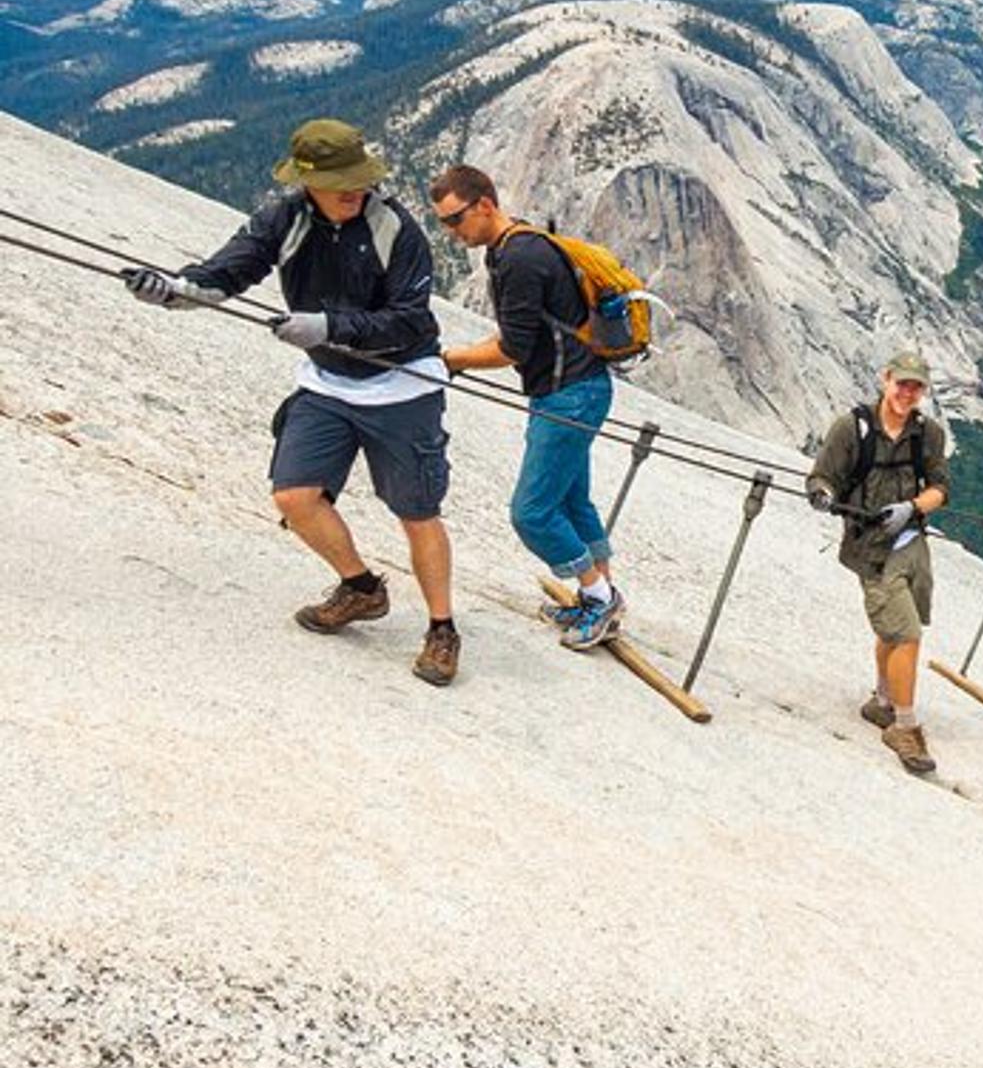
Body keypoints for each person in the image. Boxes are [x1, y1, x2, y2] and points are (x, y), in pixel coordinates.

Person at [120, 119, 459, 685]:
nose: (355, 190)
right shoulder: (284, 217)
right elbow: (230, 269)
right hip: (327, 383)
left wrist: (329, 326)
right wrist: (174, 291)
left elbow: (411, 320)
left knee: (416, 512)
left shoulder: (394, 228)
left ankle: (442, 628)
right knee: (295, 496)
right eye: (340, 182)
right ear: (308, 183)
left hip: (402, 384)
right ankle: (360, 588)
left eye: (360, 180)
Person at [433, 164, 626, 652]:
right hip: (579, 388)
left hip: (567, 395)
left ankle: (599, 598)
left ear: (484, 205)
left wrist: (451, 361)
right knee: (570, 500)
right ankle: (600, 596)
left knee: (533, 512)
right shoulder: (518, 247)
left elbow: (513, 348)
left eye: (455, 220)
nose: (452, 234)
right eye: (443, 225)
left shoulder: (519, 259)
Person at [806, 352, 951, 775]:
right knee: (905, 632)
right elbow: (822, 475)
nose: (907, 393)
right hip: (870, 546)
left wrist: (912, 507)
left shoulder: (927, 434)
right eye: (901, 383)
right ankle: (903, 726)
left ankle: (883, 701)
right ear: (885, 379)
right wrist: (822, 496)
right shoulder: (852, 428)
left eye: (916, 387)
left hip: (911, 543)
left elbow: (941, 487)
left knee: (901, 626)